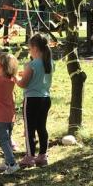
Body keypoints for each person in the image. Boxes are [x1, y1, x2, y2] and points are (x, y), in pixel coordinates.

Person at [17, 33, 54, 167]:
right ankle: (42, 156)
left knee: (29, 129)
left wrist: (14, 77)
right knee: (41, 127)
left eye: (29, 48)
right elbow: (38, 76)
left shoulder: (32, 64)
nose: (29, 51)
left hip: (32, 100)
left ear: (35, 48)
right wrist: (25, 73)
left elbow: (23, 84)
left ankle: (30, 157)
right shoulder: (50, 62)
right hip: (45, 99)